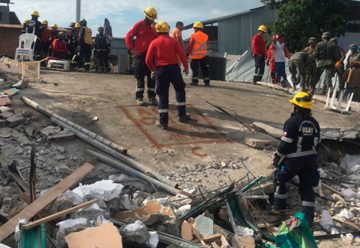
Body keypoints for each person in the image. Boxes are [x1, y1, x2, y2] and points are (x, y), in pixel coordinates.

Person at [273, 91, 320, 227]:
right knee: (307, 186)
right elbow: (318, 143)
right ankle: (308, 217)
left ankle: (279, 208)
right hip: (310, 160)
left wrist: (277, 158)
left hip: (293, 161)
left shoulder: (292, 122)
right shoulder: (314, 123)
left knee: (279, 178)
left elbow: (285, 144)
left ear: (296, 106)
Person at [146, 21, 190, 129]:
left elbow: (147, 60)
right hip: (174, 69)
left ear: (157, 30)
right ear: (167, 30)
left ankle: (163, 122)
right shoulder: (173, 42)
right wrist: (186, 67)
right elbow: (182, 55)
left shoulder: (154, 42)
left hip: (161, 71)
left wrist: (153, 70)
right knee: (180, 90)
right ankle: (182, 115)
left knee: (163, 95)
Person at [125, 6, 158, 106]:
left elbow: (161, 38)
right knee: (139, 76)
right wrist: (132, 49)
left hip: (152, 56)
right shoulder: (139, 25)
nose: (152, 20)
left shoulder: (156, 27)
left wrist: (154, 30)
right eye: (150, 18)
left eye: (153, 19)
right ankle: (139, 97)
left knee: (152, 76)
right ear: (146, 16)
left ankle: (152, 97)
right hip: (141, 55)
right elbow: (128, 36)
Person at [186, 21, 210, 86]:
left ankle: (195, 81)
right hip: (204, 55)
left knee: (195, 69)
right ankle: (207, 82)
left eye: (194, 28)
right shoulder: (206, 36)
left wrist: (187, 53)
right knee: (205, 69)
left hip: (195, 56)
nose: (194, 30)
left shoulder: (193, 35)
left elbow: (190, 45)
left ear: (196, 28)